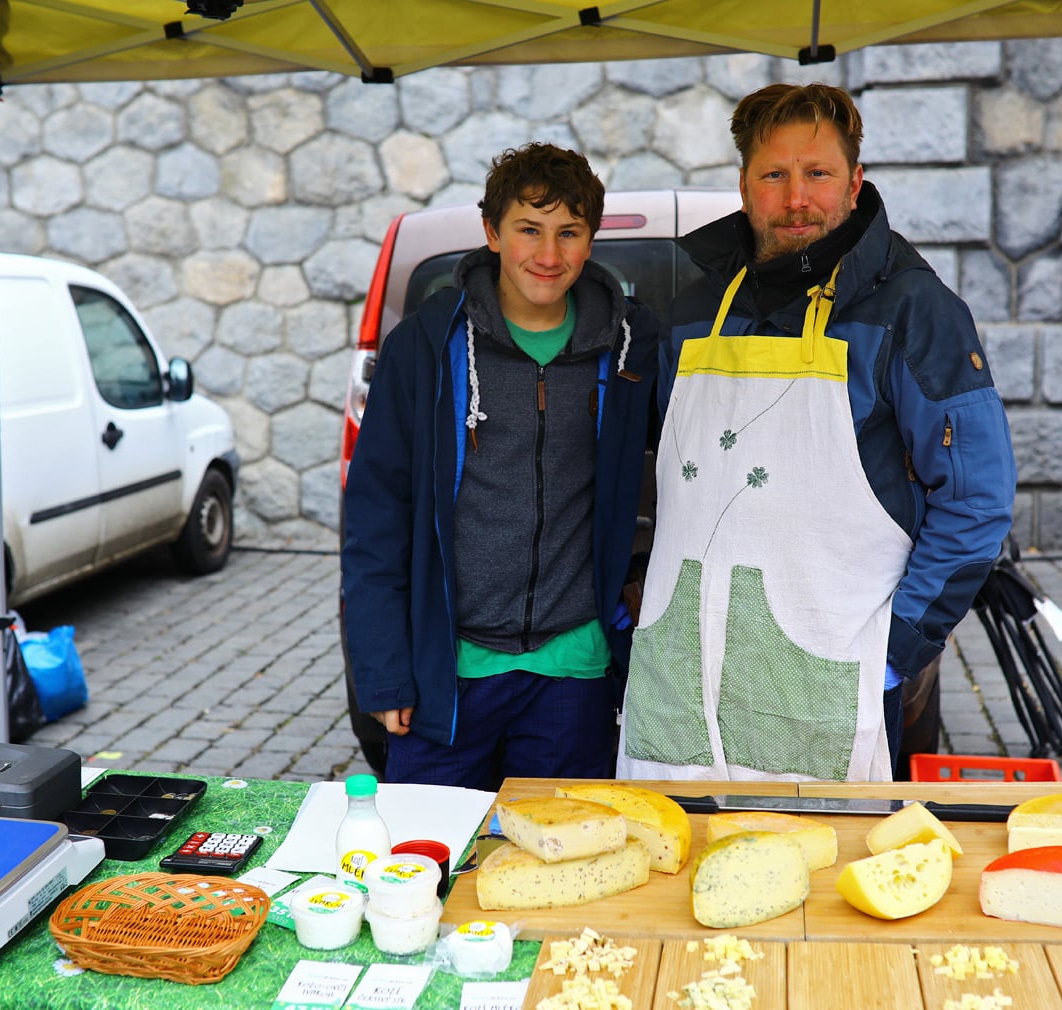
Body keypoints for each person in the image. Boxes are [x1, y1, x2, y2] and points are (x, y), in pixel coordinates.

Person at [616, 83, 1016, 783]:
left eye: (817, 174)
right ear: (744, 185)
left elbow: (977, 499)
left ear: (855, 183)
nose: (796, 198)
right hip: (683, 687)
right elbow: (645, 470)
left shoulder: (914, 311)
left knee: (824, 875)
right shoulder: (691, 310)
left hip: (832, 676)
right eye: (774, 175)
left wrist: (896, 649)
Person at [341, 143, 659, 790]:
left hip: (573, 674)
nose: (549, 255)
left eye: (569, 232)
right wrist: (383, 669)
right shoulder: (426, 348)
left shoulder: (629, 348)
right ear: (492, 232)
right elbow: (375, 519)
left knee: (559, 875)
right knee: (426, 870)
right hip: (447, 674)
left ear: (590, 238)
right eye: (529, 230)